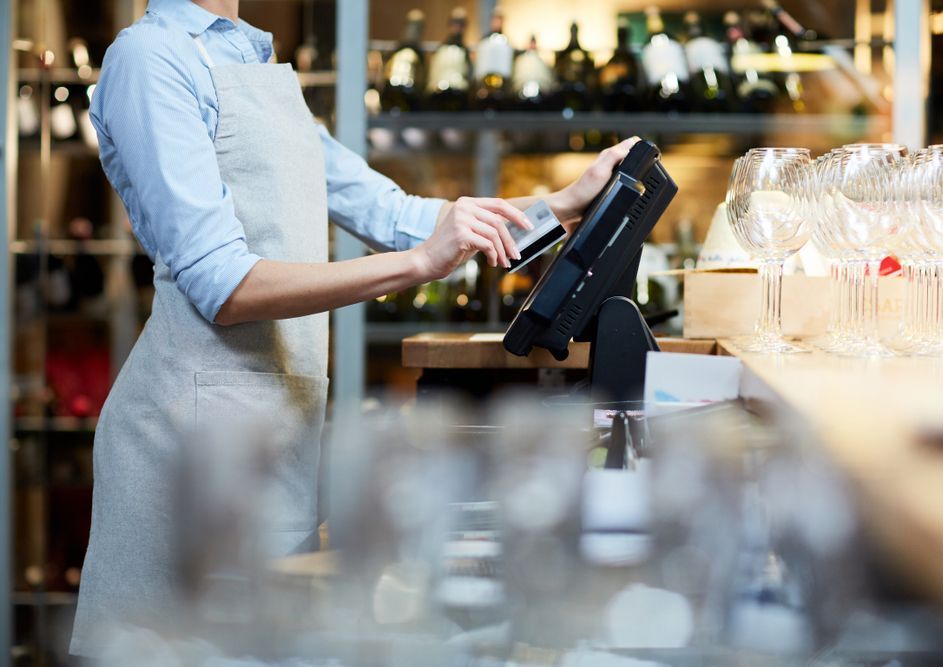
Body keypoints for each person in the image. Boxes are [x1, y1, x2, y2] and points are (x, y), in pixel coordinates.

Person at [69, 0, 641, 656]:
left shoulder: (248, 58)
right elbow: (222, 284)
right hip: (188, 447)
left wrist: (565, 203)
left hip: (276, 435)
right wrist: (422, 264)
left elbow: (392, 211)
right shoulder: (151, 58)